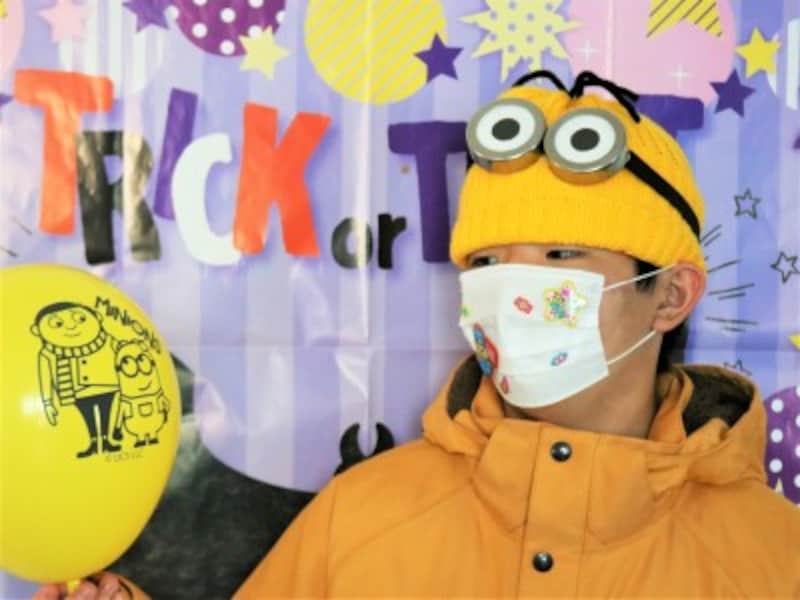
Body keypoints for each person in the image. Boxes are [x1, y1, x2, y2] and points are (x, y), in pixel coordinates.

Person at [34, 71, 800, 599]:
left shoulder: (774, 558)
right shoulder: (362, 517)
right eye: (488, 261)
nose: (514, 287)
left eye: (562, 255)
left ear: (670, 295)